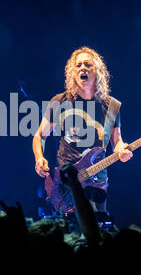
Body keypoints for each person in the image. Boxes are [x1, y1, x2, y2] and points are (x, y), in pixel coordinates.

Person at [32, 46, 133, 213]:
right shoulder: (59, 101)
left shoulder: (112, 106)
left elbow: (117, 141)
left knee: (99, 227)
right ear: (72, 72)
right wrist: (39, 158)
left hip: (97, 177)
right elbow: (40, 135)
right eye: (78, 65)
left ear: (97, 71)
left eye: (87, 64)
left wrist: (122, 150)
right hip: (68, 178)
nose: (83, 68)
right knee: (76, 228)